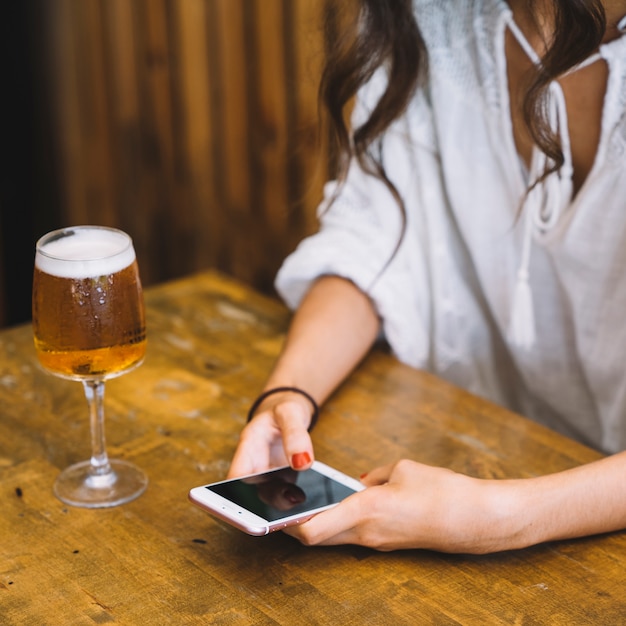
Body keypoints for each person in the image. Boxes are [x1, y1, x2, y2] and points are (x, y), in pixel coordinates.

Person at [228, 0, 626, 553]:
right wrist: (289, 393)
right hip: (474, 442)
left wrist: (501, 516)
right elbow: (372, 238)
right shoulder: (433, 14)